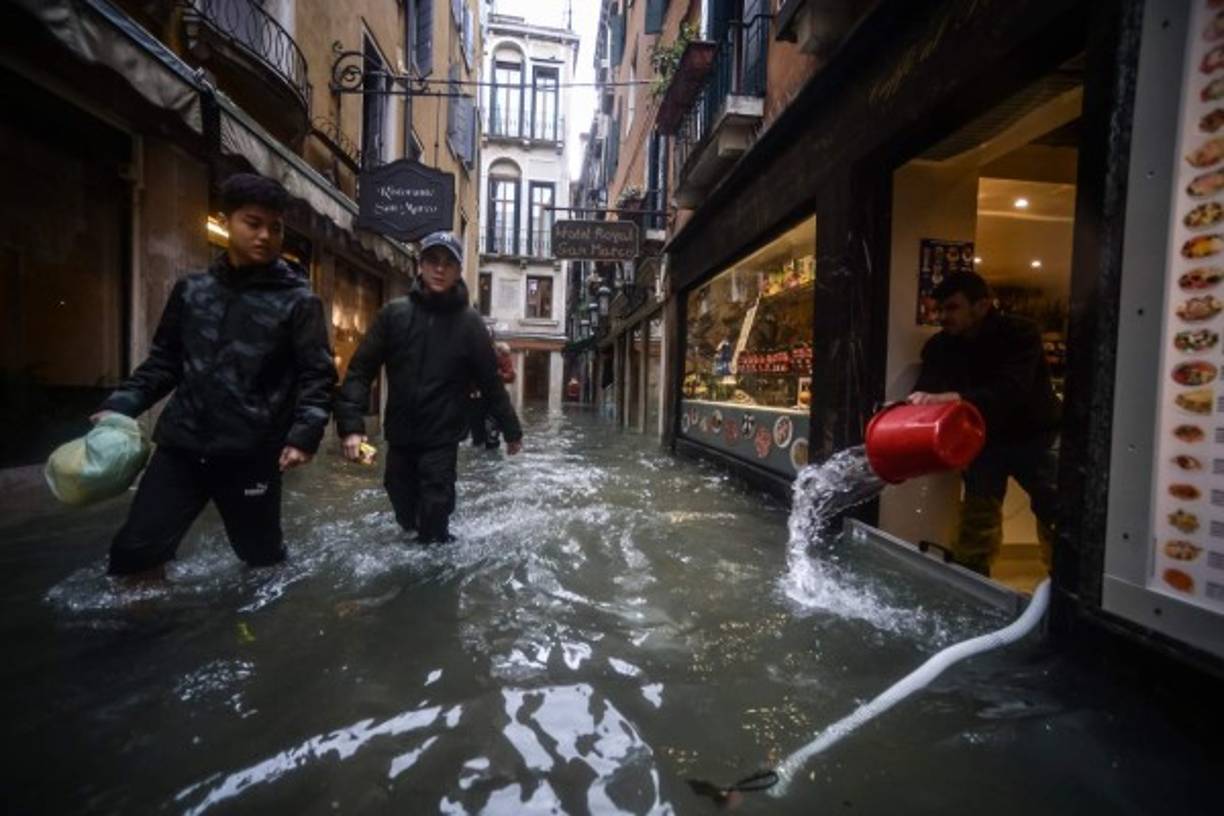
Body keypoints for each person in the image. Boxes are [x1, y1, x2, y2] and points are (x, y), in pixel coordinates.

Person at [93, 173, 337, 578]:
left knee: (260, 556)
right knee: (134, 551)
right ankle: (141, 631)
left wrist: (303, 437)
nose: (265, 236)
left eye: (274, 228)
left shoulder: (299, 301)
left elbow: (317, 375)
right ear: (228, 222)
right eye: (253, 223)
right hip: (182, 446)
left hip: (252, 453)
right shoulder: (192, 290)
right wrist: (120, 406)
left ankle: (257, 630)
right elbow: (164, 361)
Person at [335, 231, 523, 543]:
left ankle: (434, 551)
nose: (440, 269)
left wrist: (511, 431)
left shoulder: (470, 324)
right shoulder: (393, 315)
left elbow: (491, 382)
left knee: (435, 515)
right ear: (420, 266)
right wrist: (351, 426)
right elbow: (359, 370)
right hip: (400, 434)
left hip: (442, 438)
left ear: (458, 271)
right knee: (403, 508)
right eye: (433, 261)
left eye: (448, 263)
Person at [908, 271, 1062, 576]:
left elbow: (1011, 389)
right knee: (977, 521)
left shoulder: (1020, 333)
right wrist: (902, 410)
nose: (942, 317)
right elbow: (925, 390)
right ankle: (973, 592)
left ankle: (1064, 594)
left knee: (1057, 514)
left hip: (1037, 436)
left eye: (951, 308)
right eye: (939, 309)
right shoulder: (940, 346)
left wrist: (954, 398)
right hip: (981, 440)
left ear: (982, 306)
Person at [469, 340, 516, 449]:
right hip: (477, 399)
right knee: (478, 434)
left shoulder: (503, 356)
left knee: (491, 432)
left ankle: (489, 442)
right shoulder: (480, 355)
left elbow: (510, 375)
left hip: (493, 398)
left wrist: (499, 376)